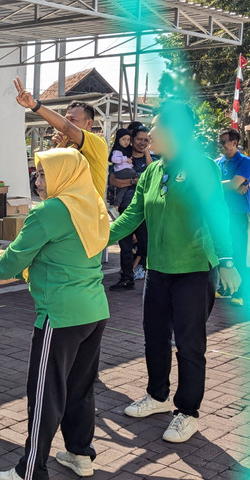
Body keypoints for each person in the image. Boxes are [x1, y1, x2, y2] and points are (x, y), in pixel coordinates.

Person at [109, 101, 241, 443]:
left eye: (155, 128)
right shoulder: (152, 172)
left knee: (189, 344)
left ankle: (187, 412)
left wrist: (226, 261)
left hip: (193, 270)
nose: (148, 134)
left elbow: (217, 214)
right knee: (154, 336)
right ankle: (157, 396)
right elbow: (132, 215)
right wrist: (97, 238)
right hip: (157, 270)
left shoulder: (200, 167)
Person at [0, 149, 109, 480]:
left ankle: (30, 471)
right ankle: (79, 454)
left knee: (46, 392)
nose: (37, 179)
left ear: (61, 176)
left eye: (43, 173)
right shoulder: (92, 204)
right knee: (80, 387)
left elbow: (13, 259)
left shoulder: (51, 211)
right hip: (94, 310)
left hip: (60, 315)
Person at [14, 77, 108, 196]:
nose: (68, 123)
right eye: (66, 119)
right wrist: (58, 147)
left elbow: (65, 127)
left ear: (89, 123)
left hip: (89, 212)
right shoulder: (67, 149)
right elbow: (46, 173)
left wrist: (34, 105)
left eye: (73, 120)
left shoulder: (98, 143)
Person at [109, 126, 156, 289]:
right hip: (125, 209)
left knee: (146, 245)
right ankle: (127, 277)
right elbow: (113, 181)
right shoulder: (123, 157)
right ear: (132, 139)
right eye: (139, 139)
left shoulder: (152, 160)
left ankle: (151, 275)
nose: (143, 143)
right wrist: (135, 181)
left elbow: (151, 179)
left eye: (146, 140)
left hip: (144, 212)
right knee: (125, 246)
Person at [215, 128, 250, 307]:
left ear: (234, 143)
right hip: (220, 213)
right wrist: (231, 186)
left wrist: (231, 185)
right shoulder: (217, 162)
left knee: (238, 251)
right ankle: (224, 287)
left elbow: (235, 183)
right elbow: (231, 184)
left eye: (223, 142)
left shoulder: (245, 161)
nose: (219, 145)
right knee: (222, 250)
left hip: (237, 214)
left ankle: (241, 292)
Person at [109, 129, 137, 207]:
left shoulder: (127, 150)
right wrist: (126, 159)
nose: (126, 142)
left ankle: (116, 206)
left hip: (125, 171)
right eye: (123, 139)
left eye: (128, 140)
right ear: (118, 140)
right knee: (137, 175)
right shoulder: (118, 150)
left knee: (123, 188)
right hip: (122, 171)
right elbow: (114, 159)